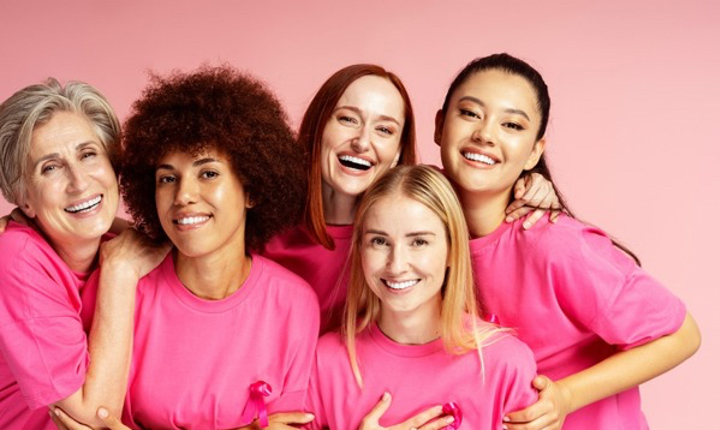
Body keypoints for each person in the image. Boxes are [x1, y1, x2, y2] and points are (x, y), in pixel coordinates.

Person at [434, 53, 701, 430]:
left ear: (534, 152)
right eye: (470, 113)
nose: (485, 134)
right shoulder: (416, 232)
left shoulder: (554, 244)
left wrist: (567, 395)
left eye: (511, 124)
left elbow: (682, 335)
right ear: (439, 125)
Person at [74, 66, 319, 430]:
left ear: (250, 189)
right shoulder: (119, 287)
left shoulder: (294, 305)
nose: (184, 196)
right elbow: (92, 423)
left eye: (208, 173)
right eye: (168, 178)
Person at [263, 64, 560, 334]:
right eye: (347, 119)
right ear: (318, 126)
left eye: (384, 129)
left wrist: (529, 181)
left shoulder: (425, 211)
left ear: (398, 151)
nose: (362, 142)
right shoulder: (263, 226)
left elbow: (483, 182)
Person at [304, 165, 538, 430]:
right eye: (379, 242)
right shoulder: (325, 362)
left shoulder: (505, 364)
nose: (397, 265)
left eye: (419, 242)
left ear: (452, 249)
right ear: (360, 249)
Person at [0, 79, 168, 429]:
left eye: (88, 154)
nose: (79, 181)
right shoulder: (16, 256)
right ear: (24, 198)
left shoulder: (116, 241)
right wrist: (119, 273)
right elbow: (97, 420)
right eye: (50, 167)